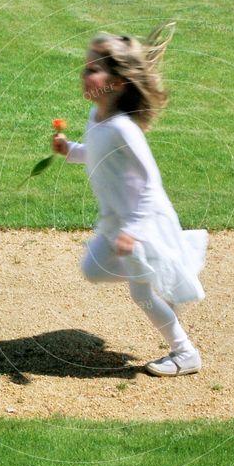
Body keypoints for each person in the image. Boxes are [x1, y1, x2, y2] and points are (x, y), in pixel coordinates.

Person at [52, 21, 208, 376]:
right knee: (92, 269)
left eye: (92, 69)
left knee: (141, 294)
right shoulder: (97, 116)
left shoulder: (124, 128)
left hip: (142, 224)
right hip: (118, 223)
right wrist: (70, 150)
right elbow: (96, 153)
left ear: (117, 83)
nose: (83, 74)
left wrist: (134, 230)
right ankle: (162, 272)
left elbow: (152, 183)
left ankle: (185, 353)